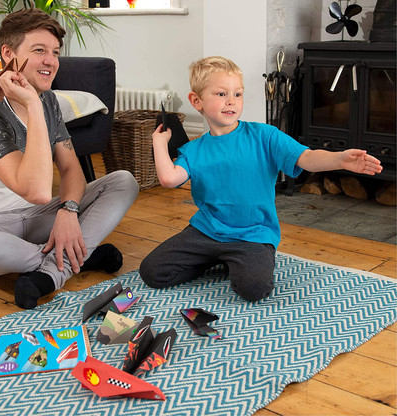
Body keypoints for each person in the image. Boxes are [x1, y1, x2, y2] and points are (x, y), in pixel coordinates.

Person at [0, 8, 139, 309]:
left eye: (55, 52)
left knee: (123, 182)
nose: (51, 61)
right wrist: (31, 104)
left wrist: (68, 212)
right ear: (8, 53)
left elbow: (71, 169)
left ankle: (52, 269)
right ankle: (76, 258)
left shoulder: (48, 100)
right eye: (39, 50)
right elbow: (37, 190)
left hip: (34, 218)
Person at [140, 56, 383, 301]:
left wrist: (339, 159)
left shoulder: (265, 136)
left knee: (254, 289)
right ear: (196, 101)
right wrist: (159, 142)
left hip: (253, 235)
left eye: (238, 94)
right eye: (221, 94)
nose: (231, 101)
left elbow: (307, 158)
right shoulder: (193, 150)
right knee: (152, 272)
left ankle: (236, 260)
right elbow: (169, 179)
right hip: (206, 231)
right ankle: (217, 259)